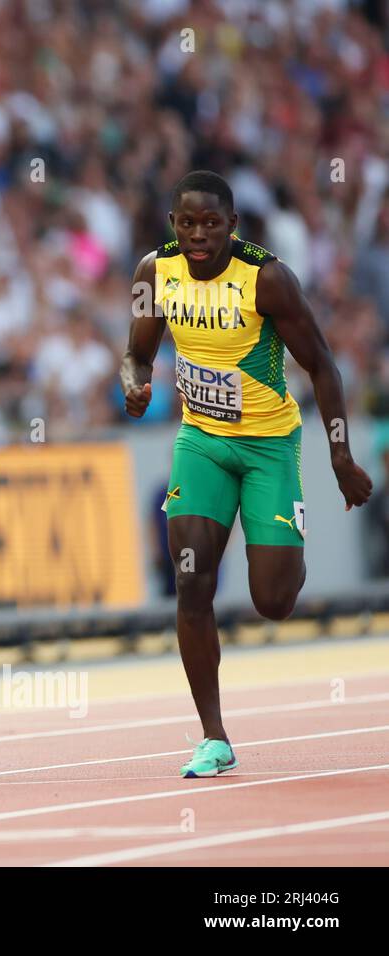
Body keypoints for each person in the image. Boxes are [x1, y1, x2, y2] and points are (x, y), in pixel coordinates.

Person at [120, 170, 373, 778]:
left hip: (267, 446)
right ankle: (213, 735)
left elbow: (322, 364)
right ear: (172, 225)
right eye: (187, 223)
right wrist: (134, 383)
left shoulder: (268, 279)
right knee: (191, 581)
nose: (199, 235)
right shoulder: (154, 273)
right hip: (201, 442)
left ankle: (286, 539)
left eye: (211, 224)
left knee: (274, 599)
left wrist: (339, 455)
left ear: (233, 225)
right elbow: (137, 352)